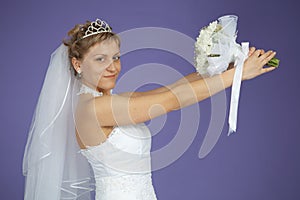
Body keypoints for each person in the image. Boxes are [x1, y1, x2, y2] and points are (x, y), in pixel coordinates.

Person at [22, 18, 277, 200]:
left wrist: (226, 66)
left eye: (116, 57)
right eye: (100, 59)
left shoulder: (115, 101)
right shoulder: (94, 109)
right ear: (78, 65)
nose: (112, 67)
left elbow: (173, 89)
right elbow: (170, 102)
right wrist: (237, 77)